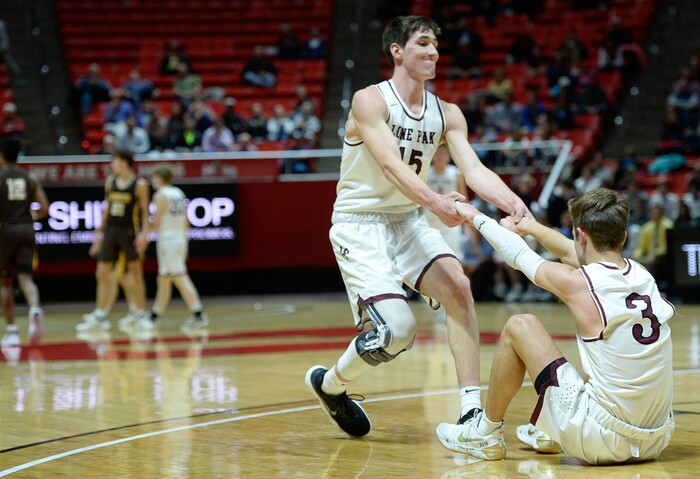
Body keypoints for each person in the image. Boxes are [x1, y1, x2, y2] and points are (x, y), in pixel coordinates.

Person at [304, 16, 531, 438]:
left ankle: (470, 411)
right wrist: (437, 202)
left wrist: (515, 203)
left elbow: (474, 169)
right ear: (397, 51)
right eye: (423, 44)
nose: (433, 53)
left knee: (459, 288)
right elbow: (390, 165)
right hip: (360, 224)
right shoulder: (370, 101)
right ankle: (331, 384)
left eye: (435, 46)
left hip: (408, 220)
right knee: (398, 332)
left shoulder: (447, 113)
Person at [437, 188, 675, 465]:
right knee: (600, 360)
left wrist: (475, 217)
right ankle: (549, 430)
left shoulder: (581, 283)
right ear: (622, 236)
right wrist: (529, 226)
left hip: (605, 440)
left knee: (520, 326)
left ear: (581, 235)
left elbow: (518, 256)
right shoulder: (641, 275)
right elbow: (568, 250)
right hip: (657, 438)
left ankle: (484, 432)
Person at [77, 150, 150, 332]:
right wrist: (97, 234)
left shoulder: (139, 184)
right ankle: (100, 315)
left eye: (115, 161)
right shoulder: (110, 181)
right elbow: (106, 208)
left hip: (130, 231)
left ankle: (140, 313)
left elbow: (145, 213)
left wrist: (144, 234)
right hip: (111, 230)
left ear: (125, 162)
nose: (112, 164)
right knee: (102, 272)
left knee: (135, 274)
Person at [134, 164, 209, 335]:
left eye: (154, 177)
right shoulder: (178, 193)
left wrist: (144, 236)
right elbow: (186, 222)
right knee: (165, 279)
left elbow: (157, 221)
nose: (152, 180)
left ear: (160, 178)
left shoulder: (161, 195)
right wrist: (185, 243)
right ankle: (154, 316)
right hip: (179, 240)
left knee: (180, 278)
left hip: (168, 241)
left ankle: (198, 314)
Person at [0, 138, 48, 353]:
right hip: (27, 229)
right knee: (26, 278)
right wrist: (31, 218)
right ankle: (35, 308)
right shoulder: (30, 177)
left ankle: (11, 331)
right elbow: (45, 209)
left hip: (6, 231)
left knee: (4, 283)